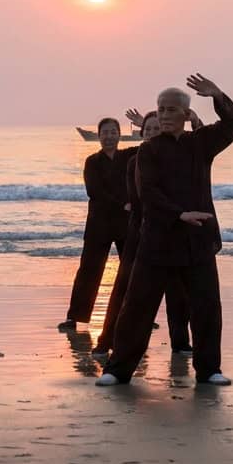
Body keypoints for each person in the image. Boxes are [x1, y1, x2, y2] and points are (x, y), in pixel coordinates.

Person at [98, 74, 233, 387]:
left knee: (206, 307)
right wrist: (179, 214)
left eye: (170, 110)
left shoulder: (201, 144)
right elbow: (148, 193)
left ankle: (209, 370)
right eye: (160, 109)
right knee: (137, 307)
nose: (163, 115)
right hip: (158, 241)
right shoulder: (148, 151)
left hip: (198, 240)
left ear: (185, 114)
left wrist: (217, 94)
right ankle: (117, 369)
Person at [93, 110, 192, 358]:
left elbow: (194, 143)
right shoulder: (134, 161)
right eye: (147, 130)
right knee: (122, 291)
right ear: (140, 134)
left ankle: (180, 344)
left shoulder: (178, 160)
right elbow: (139, 202)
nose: (151, 134)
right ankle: (106, 341)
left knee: (177, 293)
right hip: (141, 235)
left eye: (156, 129)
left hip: (172, 235)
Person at [57, 116, 140, 331]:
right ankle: (74, 317)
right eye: (105, 133)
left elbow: (153, 144)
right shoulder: (92, 161)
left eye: (113, 132)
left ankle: (135, 314)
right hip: (98, 225)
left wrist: (142, 124)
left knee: (131, 271)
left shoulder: (130, 156)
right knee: (89, 271)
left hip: (125, 224)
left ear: (119, 135)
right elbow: (94, 191)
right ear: (99, 136)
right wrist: (124, 203)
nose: (109, 137)